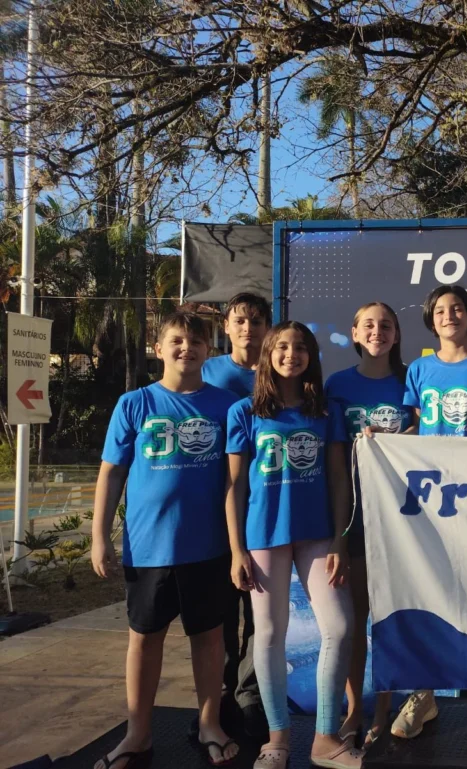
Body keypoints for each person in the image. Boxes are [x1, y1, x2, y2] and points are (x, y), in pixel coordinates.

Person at [91, 311, 241, 769]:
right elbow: (111, 473)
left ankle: (209, 724)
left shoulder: (227, 407)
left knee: (209, 639)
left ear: (208, 351)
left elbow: (236, 481)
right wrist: (99, 537)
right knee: (144, 640)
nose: (186, 348)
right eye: (177, 340)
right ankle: (138, 734)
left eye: (196, 341)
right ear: (159, 349)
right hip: (148, 548)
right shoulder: (134, 403)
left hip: (209, 547)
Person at [225, 321, 361, 769]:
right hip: (264, 536)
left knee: (339, 627)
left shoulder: (326, 411)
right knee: (268, 634)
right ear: (268, 354)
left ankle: (325, 739)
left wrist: (340, 538)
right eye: (281, 347)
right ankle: (277, 739)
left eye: (300, 347)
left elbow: (339, 479)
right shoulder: (244, 412)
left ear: (311, 357)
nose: (291, 354)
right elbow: (235, 487)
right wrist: (236, 550)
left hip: (318, 534)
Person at [393, 284, 467, 742]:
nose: (450, 315)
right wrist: (380, 442)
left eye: (457, 308)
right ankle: (424, 694)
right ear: (431, 320)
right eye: (441, 310)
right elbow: (411, 429)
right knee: (430, 593)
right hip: (430, 501)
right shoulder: (419, 369)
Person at [324, 302, 413, 749]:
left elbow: (429, 439)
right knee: (357, 618)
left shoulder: (411, 381)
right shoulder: (337, 385)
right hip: (356, 517)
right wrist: (339, 533)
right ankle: (355, 709)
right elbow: (334, 461)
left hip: (405, 519)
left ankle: (385, 710)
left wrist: (396, 442)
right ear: (356, 333)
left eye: (387, 325)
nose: (378, 331)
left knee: (392, 619)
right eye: (369, 325)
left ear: (396, 335)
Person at [202, 292, 272, 742]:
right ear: (226, 326)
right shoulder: (207, 372)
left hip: (264, 511)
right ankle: (218, 699)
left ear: (268, 327)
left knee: (259, 614)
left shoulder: (280, 372)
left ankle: (250, 698)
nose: (248, 328)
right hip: (214, 510)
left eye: (257, 321)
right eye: (240, 320)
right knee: (219, 617)